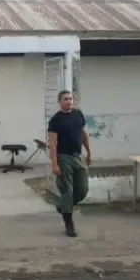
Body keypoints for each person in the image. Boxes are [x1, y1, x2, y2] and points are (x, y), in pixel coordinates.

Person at [47, 90, 91, 237]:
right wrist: (54, 163)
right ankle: (69, 224)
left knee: (83, 190)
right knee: (68, 191)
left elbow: (83, 134)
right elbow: (52, 142)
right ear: (59, 102)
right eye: (66, 99)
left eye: (71, 99)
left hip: (77, 157)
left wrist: (89, 152)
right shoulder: (56, 120)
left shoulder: (78, 114)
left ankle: (63, 207)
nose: (69, 101)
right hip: (63, 158)